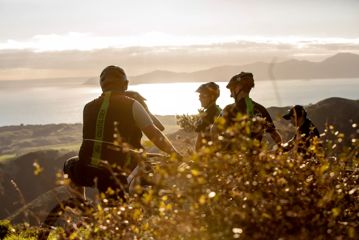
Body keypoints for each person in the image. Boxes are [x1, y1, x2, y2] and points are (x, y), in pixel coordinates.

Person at [72, 65, 181, 200]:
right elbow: (155, 134)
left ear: (102, 86)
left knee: (69, 165)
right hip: (121, 168)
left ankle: (82, 207)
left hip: (89, 168)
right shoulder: (131, 104)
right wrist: (175, 154)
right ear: (126, 84)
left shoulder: (87, 107)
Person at [219, 72, 282, 148]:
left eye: (231, 90)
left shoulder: (229, 109)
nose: (231, 95)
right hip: (255, 156)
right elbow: (275, 135)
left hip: (234, 157)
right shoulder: (261, 109)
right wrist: (280, 149)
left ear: (239, 87)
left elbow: (214, 131)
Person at [194, 82, 221, 150]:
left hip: (208, 155)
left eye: (203, 96)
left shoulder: (210, 114)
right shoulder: (217, 110)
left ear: (212, 97)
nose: (199, 98)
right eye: (199, 96)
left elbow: (199, 140)